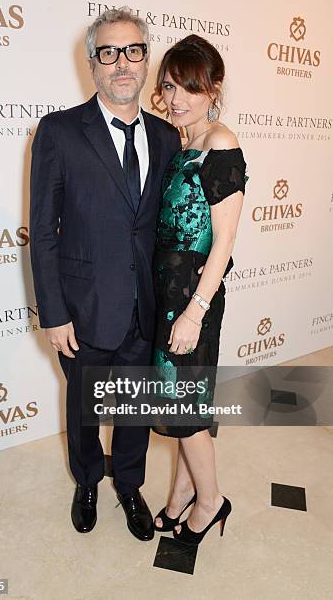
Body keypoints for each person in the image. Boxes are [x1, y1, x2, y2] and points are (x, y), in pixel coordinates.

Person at [29, 7, 181, 541]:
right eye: (110, 53)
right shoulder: (59, 131)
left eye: (134, 51)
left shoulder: (167, 137)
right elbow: (43, 230)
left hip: (145, 303)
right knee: (86, 407)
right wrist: (54, 311)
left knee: (136, 407)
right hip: (84, 305)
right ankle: (89, 480)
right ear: (93, 64)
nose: (123, 64)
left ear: (146, 61)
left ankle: (130, 485)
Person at [151, 34, 247, 545]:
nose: (177, 98)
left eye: (190, 87)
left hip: (192, 296)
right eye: (169, 86)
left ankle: (211, 501)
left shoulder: (221, 143)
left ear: (214, 88)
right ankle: (179, 497)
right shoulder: (182, 140)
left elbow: (224, 239)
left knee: (183, 409)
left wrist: (195, 310)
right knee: (180, 404)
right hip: (168, 293)